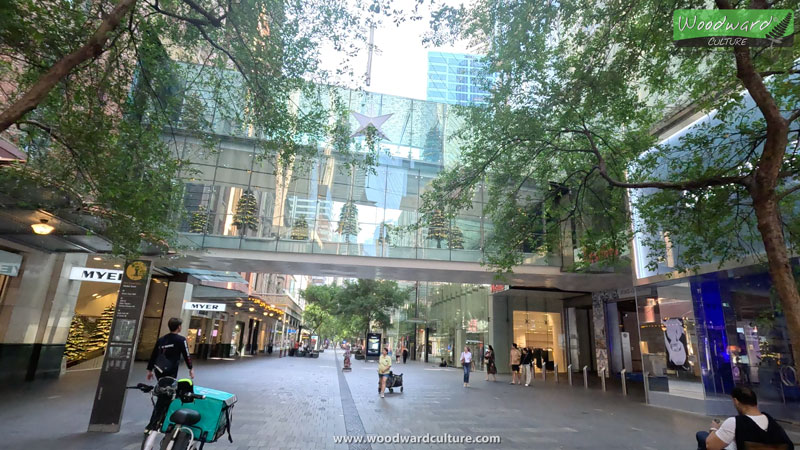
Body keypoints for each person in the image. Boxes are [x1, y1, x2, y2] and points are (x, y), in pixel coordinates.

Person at [697, 386, 793, 450]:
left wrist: (714, 429)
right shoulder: (771, 421)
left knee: (701, 435)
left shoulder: (734, 422)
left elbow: (710, 446)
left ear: (736, 401)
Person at [145, 318, 194, 431]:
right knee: (164, 397)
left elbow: (154, 354)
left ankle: (159, 421)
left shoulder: (162, 339)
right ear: (179, 327)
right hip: (170, 371)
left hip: (159, 371)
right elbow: (186, 355)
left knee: (166, 394)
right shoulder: (181, 340)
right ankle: (153, 424)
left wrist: (150, 370)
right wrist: (190, 368)